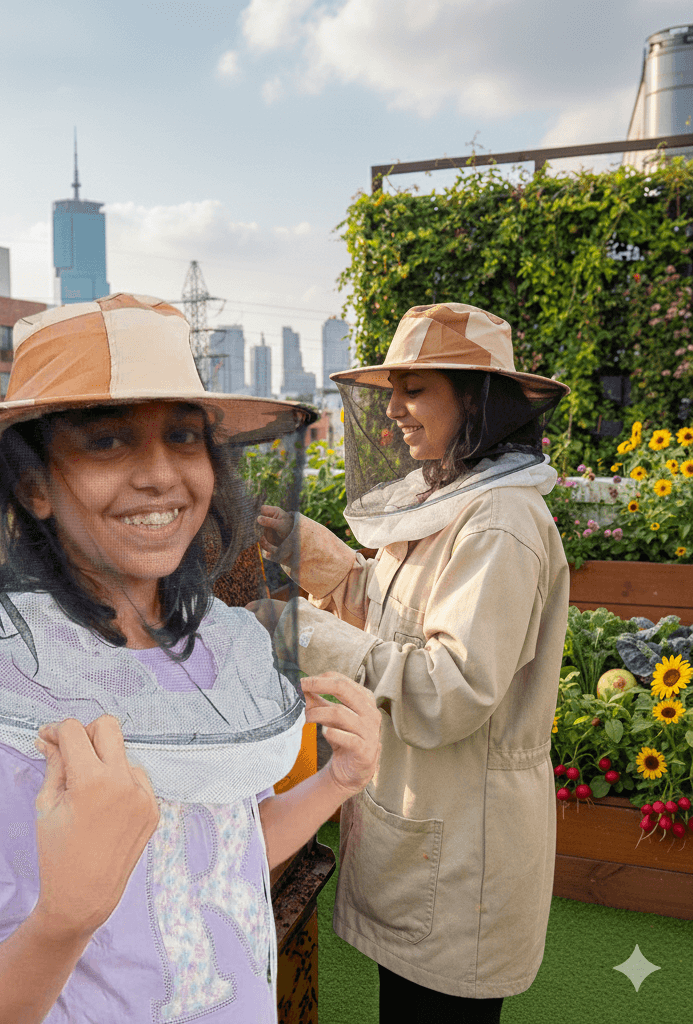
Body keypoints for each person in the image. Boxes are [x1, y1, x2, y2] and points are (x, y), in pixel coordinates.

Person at [0, 293, 382, 1024]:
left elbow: (223, 860)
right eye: (107, 441)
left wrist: (337, 784)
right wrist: (64, 918)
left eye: (184, 438)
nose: (161, 474)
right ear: (33, 487)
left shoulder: (214, 651)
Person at [251, 303, 571, 1022]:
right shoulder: (455, 499)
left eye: (415, 388)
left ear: (477, 401)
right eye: (392, 389)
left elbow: (446, 688)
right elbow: (403, 618)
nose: (393, 408)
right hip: (430, 834)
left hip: (463, 858)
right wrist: (326, 561)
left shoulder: (500, 521)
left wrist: (292, 627)